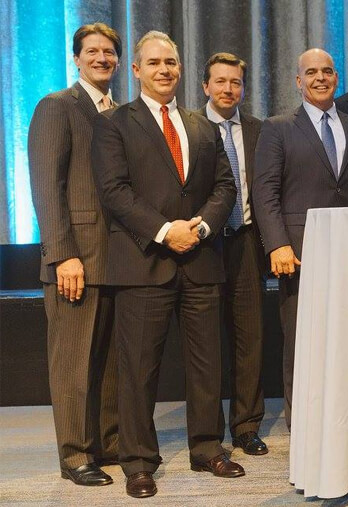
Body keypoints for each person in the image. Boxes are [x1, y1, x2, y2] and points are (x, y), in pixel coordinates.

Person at [91, 31, 241, 498]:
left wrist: (198, 229)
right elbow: (114, 191)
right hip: (143, 262)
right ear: (136, 70)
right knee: (138, 368)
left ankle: (207, 447)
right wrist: (164, 231)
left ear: (180, 69)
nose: (164, 70)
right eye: (154, 63)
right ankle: (138, 462)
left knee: (206, 363)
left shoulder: (203, 124)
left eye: (171, 63)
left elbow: (225, 188)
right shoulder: (115, 123)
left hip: (200, 261)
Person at [252, 49, 348, 427]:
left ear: (338, 76)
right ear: (298, 81)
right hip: (298, 252)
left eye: (328, 71)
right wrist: (277, 244)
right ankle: (301, 425)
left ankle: (345, 423)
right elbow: (264, 191)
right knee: (302, 341)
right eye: (311, 73)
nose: (321, 78)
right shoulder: (278, 127)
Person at [28, 21, 121, 487]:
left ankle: (106, 442)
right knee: (72, 363)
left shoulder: (121, 113)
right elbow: (48, 187)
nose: (101, 58)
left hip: (117, 260)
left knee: (106, 361)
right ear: (77, 58)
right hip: (75, 260)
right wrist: (63, 253)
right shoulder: (56, 107)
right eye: (92, 51)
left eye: (109, 52)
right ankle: (75, 455)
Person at [197, 52, 268, 456]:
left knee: (249, 338)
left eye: (235, 82)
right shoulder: (187, 127)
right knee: (206, 343)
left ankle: (246, 425)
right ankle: (208, 431)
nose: (228, 89)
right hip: (203, 245)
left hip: (246, 241)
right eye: (220, 82)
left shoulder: (260, 130)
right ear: (206, 86)